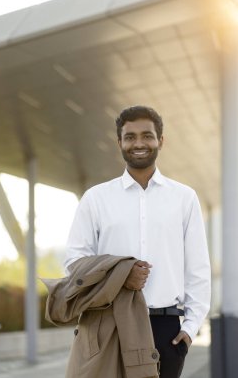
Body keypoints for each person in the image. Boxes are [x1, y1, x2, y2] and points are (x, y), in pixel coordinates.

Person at [64, 105, 211, 378]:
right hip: (107, 325)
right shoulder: (96, 199)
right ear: (119, 142)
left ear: (161, 141)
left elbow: (198, 269)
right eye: (130, 137)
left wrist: (189, 330)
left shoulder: (184, 198)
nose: (139, 143)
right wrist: (121, 275)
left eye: (147, 135)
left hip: (165, 330)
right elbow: (73, 264)